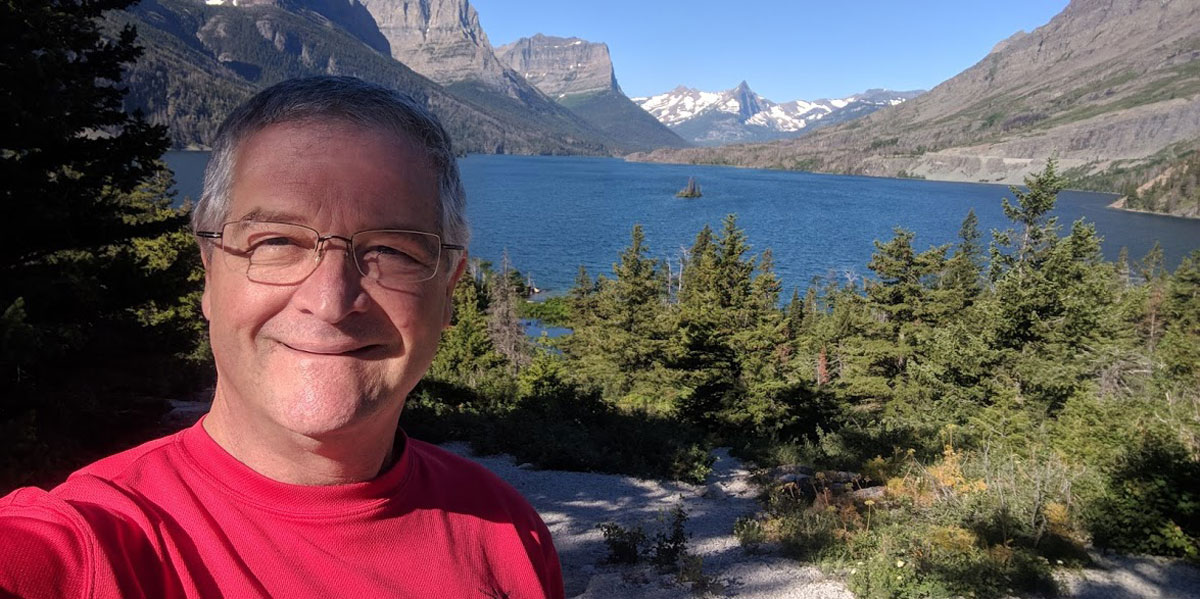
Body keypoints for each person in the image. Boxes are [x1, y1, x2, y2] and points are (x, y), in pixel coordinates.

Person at [0, 76, 564, 599]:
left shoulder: (509, 534)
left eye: (392, 250)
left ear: (448, 289)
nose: (330, 300)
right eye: (276, 242)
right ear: (209, 272)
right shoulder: (99, 544)